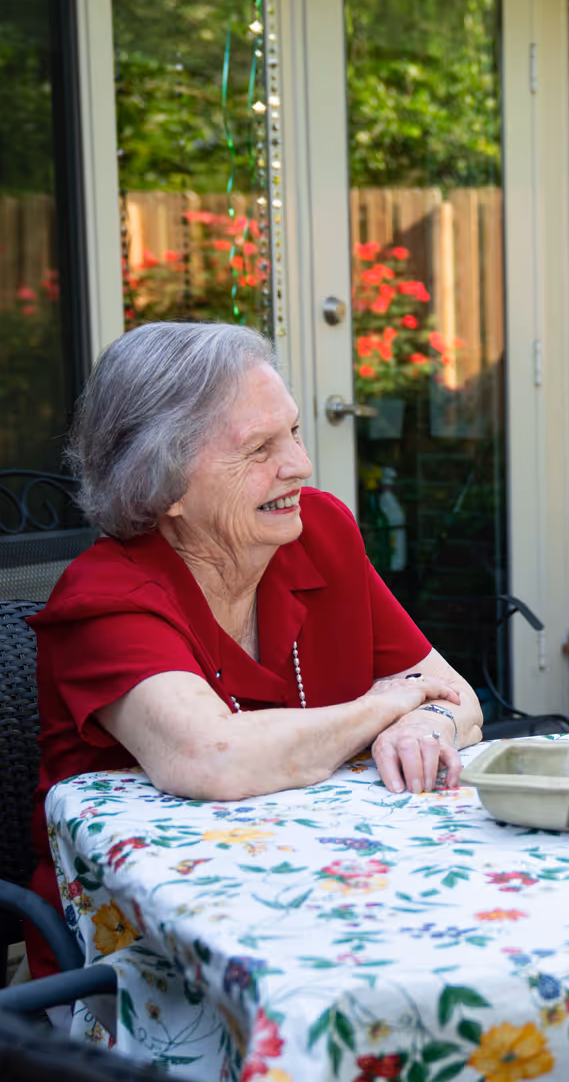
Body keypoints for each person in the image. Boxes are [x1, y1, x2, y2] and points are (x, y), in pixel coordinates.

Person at [24, 320, 483, 973]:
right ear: (166, 481)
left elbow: (454, 695)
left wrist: (425, 720)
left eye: (292, 431)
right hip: (150, 951)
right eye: (260, 447)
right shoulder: (105, 597)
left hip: (335, 899)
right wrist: (387, 705)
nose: (299, 464)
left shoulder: (315, 531)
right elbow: (211, 758)